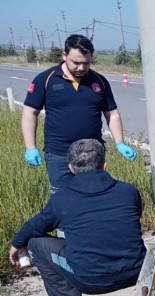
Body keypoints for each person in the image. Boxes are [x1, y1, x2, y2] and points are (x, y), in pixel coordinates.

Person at [8, 139, 146, 296]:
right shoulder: (128, 191)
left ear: (71, 168)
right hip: (137, 272)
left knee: (35, 243)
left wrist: (17, 243)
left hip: (92, 281)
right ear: (104, 165)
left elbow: (36, 226)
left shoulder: (63, 199)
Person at [22, 34, 137, 194]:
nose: (81, 68)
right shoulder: (46, 79)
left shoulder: (99, 81)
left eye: (86, 63)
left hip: (93, 153)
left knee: (95, 196)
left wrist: (120, 143)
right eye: (76, 62)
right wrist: (30, 147)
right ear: (64, 55)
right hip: (59, 153)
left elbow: (112, 113)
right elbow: (30, 113)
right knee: (62, 197)